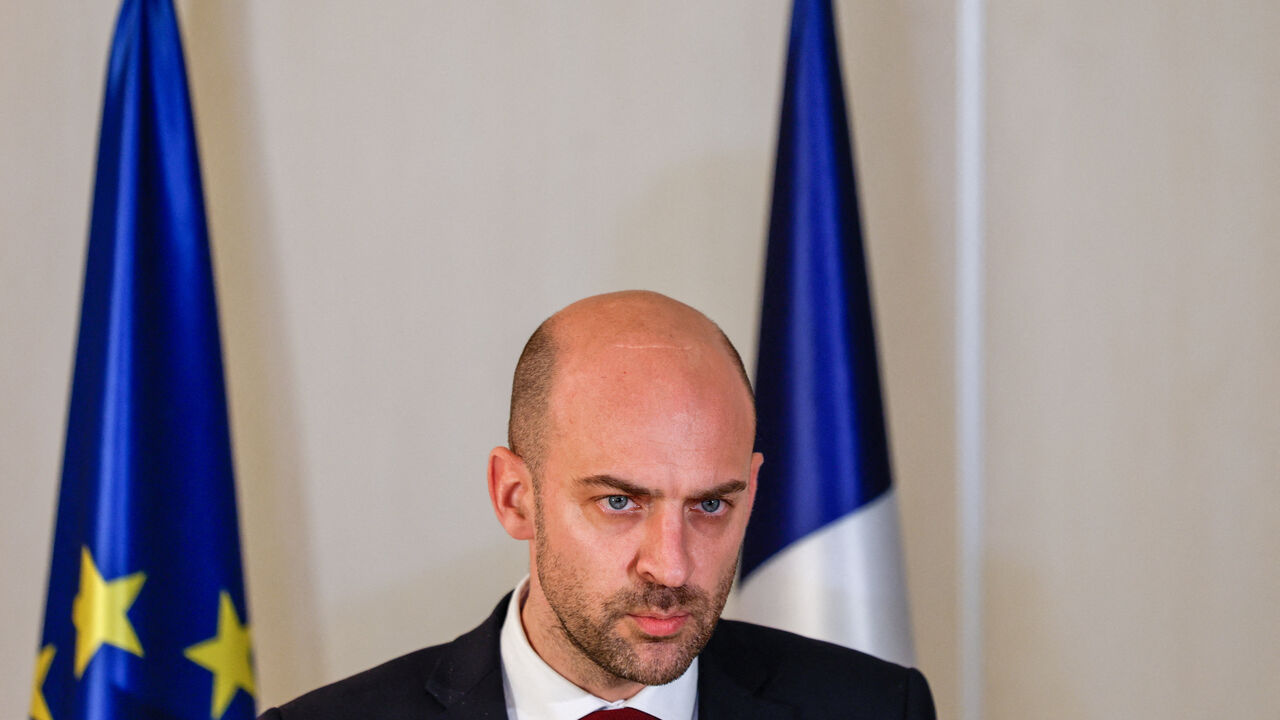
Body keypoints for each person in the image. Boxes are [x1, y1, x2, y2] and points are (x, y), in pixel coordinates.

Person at [259, 290, 935, 720]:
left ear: (752, 492)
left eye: (709, 506)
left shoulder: (877, 708)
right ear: (515, 497)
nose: (671, 569)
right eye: (619, 501)